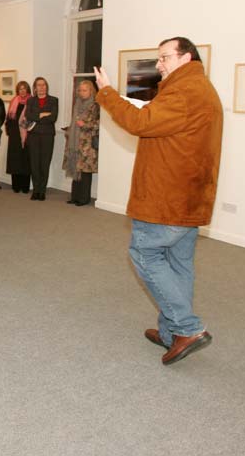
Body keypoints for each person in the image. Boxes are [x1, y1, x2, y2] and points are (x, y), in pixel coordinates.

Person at [94, 36, 222, 365]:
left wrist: (107, 94)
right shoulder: (196, 89)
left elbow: (141, 123)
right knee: (178, 264)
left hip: (167, 197)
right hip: (187, 197)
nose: (158, 64)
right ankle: (169, 332)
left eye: (164, 57)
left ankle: (187, 327)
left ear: (186, 57)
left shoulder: (185, 91)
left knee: (145, 255)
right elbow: (158, 123)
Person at [62, 80, 99, 206]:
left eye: (85, 90)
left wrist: (85, 125)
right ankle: (74, 197)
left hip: (87, 143)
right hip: (75, 141)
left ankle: (84, 198)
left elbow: (99, 124)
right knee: (75, 168)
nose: (82, 93)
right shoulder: (77, 103)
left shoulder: (95, 105)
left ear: (91, 91)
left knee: (85, 172)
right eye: (80, 90)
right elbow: (74, 122)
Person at [24, 77, 58, 201]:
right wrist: (42, 114)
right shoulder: (31, 101)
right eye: (39, 85)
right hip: (33, 136)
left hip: (48, 136)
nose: (41, 87)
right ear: (35, 87)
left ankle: (42, 191)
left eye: (43, 85)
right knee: (34, 164)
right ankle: (36, 190)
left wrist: (36, 116)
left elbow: (53, 118)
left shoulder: (54, 100)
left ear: (46, 87)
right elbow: (28, 115)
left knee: (45, 164)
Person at [5, 81, 32, 193]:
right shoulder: (14, 101)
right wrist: (10, 132)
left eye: (24, 88)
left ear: (28, 90)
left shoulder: (31, 102)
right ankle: (16, 186)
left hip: (27, 135)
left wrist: (25, 131)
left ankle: (25, 186)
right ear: (18, 90)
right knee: (15, 161)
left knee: (25, 161)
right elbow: (8, 119)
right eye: (20, 89)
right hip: (14, 135)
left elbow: (32, 118)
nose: (22, 91)